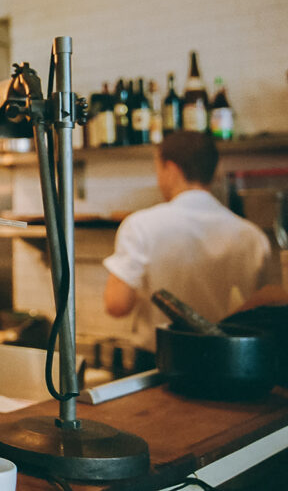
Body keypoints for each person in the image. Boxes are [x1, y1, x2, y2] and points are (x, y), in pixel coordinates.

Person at [102, 131, 270, 355]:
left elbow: (117, 305)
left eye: (158, 169)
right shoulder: (253, 236)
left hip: (160, 364)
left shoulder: (140, 225)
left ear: (171, 170)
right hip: (230, 362)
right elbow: (263, 309)